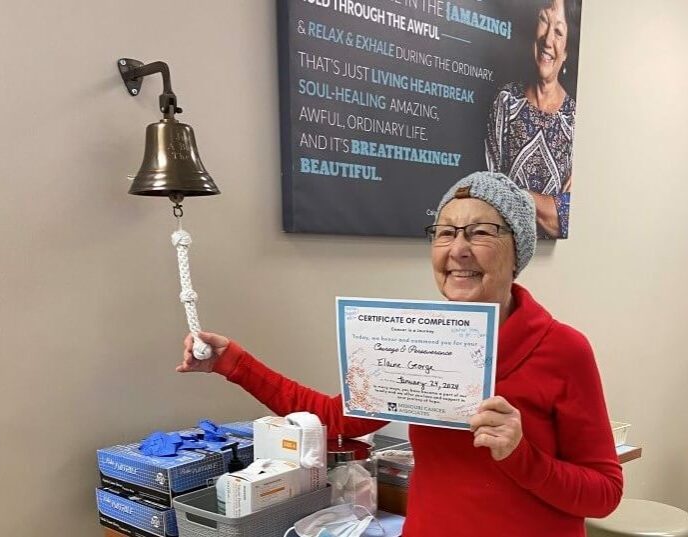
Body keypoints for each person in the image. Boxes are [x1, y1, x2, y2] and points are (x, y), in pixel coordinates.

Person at [177, 171, 622, 536]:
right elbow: (333, 420)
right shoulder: (418, 340)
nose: (458, 249)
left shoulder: (564, 350)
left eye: (481, 232)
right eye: (445, 232)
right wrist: (234, 363)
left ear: (517, 249)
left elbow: (604, 492)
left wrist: (522, 454)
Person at [485, 0, 582, 239]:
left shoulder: (576, 120)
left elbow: (569, 220)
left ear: (567, 50)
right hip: (503, 253)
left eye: (559, 31)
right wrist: (548, 204)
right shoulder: (506, 101)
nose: (548, 40)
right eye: (543, 21)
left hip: (557, 263)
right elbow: (487, 194)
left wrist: (516, 194)